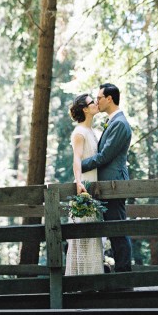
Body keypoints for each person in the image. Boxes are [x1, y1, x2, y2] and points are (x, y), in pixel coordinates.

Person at [81, 82, 132, 274]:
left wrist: (79, 165)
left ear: (109, 99)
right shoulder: (113, 121)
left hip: (114, 185)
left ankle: (124, 277)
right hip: (107, 185)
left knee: (117, 230)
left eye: (99, 98)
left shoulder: (120, 124)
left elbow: (104, 156)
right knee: (112, 229)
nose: (97, 101)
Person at [65, 92, 104, 276]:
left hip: (95, 187)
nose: (96, 103)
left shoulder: (92, 132)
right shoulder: (79, 132)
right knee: (83, 237)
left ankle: (94, 278)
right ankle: (80, 279)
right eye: (92, 102)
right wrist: (79, 183)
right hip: (85, 188)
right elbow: (77, 158)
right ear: (84, 109)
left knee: (94, 237)